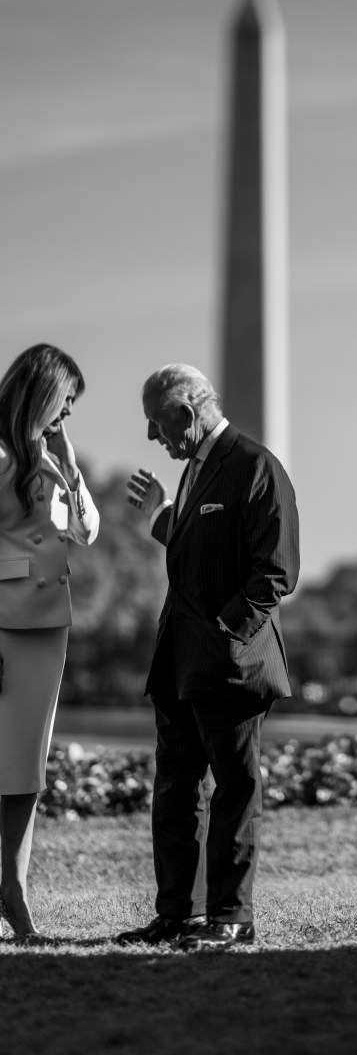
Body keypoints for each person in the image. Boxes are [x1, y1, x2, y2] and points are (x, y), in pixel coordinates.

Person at [116, 365, 299, 951]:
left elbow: (276, 570)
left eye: (156, 424)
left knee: (234, 789)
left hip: (229, 664)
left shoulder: (256, 467)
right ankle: (178, 914)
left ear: (186, 415)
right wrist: (163, 519)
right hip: (178, 662)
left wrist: (226, 631)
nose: (152, 439)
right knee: (175, 789)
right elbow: (202, 552)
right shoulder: (194, 468)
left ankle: (230, 916)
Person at [0, 343, 99, 943]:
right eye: (64, 404)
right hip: (3, 625)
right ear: (41, 392)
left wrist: (68, 461)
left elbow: (86, 531)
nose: (67, 417)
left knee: (26, 770)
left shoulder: (50, 455)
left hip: (45, 628)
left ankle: (13, 888)